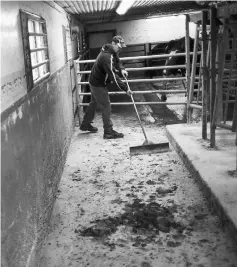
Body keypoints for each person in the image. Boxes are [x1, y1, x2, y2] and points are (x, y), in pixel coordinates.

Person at [80, 35, 132, 139]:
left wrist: (122, 69)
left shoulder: (111, 51)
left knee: (94, 103)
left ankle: (85, 125)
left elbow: (117, 60)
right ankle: (108, 132)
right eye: (119, 46)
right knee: (106, 106)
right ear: (114, 44)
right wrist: (125, 88)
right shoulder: (106, 57)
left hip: (94, 80)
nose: (120, 48)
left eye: (121, 47)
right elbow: (113, 76)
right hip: (98, 84)